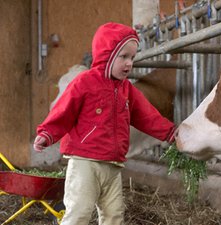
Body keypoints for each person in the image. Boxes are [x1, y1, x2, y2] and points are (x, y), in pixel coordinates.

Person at [33, 22, 176, 225]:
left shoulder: (127, 90)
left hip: (113, 165)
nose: (129, 64)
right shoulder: (85, 83)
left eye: (132, 58)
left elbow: (147, 116)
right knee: (79, 212)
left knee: (114, 215)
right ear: (106, 54)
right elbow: (63, 111)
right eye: (123, 57)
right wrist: (47, 134)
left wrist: (169, 132)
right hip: (85, 162)